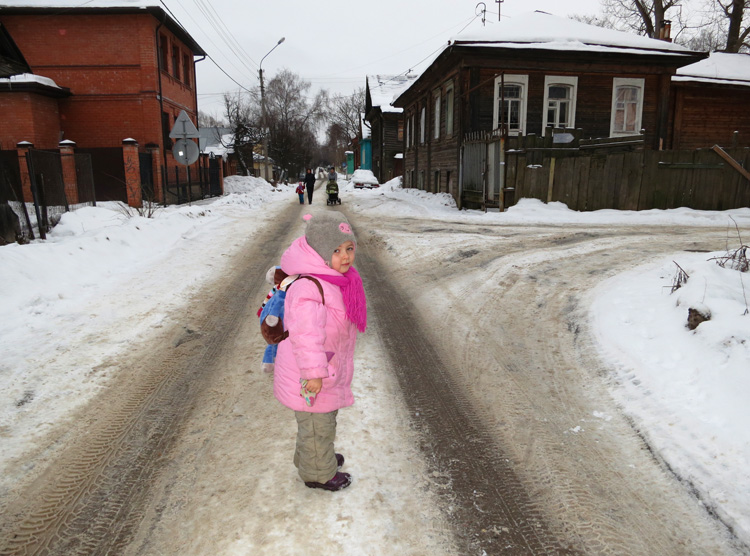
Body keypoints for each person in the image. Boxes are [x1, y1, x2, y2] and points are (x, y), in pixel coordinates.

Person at [273, 211, 367, 492]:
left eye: (349, 248)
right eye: (336, 251)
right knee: (317, 425)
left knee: (319, 424)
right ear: (318, 253)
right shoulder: (309, 286)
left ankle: (312, 457)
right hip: (312, 376)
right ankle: (318, 474)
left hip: (326, 370)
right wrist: (313, 374)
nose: (346, 256)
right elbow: (306, 336)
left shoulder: (335, 279)